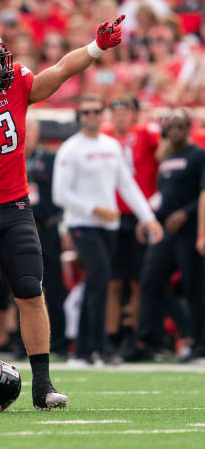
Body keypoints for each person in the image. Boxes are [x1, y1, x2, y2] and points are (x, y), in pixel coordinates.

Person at [0, 19, 125, 409]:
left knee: (31, 292)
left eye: (0, 61)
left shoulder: (16, 84)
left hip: (16, 208)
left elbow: (61, 70)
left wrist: (96, 48)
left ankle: (43, 385)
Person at [52, 95, 163, 364]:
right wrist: (94, 209)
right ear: (79, 116)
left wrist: (148, 218)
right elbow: (60, 194)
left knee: (97, 282)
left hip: (109, 226)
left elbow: (127, 185)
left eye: (96, 111)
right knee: (100, 278)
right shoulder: (70, 149)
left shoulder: (111, 146)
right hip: (84, 224)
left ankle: (87, 349)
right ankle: (95, 348)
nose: (92, 116)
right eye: (86, 112)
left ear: (102, 114)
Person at [130, 109, 205, 361]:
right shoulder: (165, 159)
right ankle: (147, 342)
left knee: (194, 288)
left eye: (181, 126)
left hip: (189, 232)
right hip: (165, 232)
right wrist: (148, 218)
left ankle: (199, 343)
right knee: (150, 282)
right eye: (171, 126)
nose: (176, 131)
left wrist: (185, 213)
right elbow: (163, 197)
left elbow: (202, 194)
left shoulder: (198, 155)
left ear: (188, 128)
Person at [103, 96, 160, 357]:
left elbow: (165, 150)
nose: (120, 117)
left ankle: (135, 336)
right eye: (116, 112)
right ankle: (111, 337)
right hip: (111, 216)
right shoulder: (104, 137)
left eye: (125, 112)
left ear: (134, 115)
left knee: (138, 281)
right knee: (113, 281)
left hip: (138, 216)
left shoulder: (144, 133)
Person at [25, 118, 67, 357]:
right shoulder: (13, 158)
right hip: (23, 228)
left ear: (38, 134)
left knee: (55, 287)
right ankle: (23, 344)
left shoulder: (50, 159)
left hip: (47, 228)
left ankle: (59, 342)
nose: (27, 135)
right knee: (25, 287)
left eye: (31, 131)